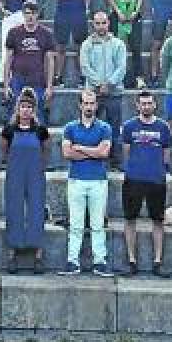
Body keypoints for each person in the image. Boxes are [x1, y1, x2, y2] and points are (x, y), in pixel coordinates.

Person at [58, 89, 114, 277]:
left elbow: (104, 153)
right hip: (76, 180)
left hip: (98, 181)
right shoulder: (70, 128)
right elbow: (67, 153)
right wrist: (93, 151)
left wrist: (80, 148)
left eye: (92, 103)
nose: (89, 107)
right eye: (86, 103)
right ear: (80, 105)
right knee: (75, 224)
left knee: (98, 224)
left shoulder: (105, 128)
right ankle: (72, 261)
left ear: (96, 105)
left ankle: (100, 261)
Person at [119, 92, 172, 277]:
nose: (146, 106)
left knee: (157, 220)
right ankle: (131, 260)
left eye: (149, 103)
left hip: (156, 180)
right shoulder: (129, 126)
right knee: (130, 219)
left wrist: (160, 170)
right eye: (143, 103)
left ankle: (158, 261)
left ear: (155, 105)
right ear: (137, 105)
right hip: (133, 179)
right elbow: (126, 152)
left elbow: (167, 152)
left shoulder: (163, 127)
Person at [1, 88, 48, 273]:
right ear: (18, 109)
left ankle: (38, 256)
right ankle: (12, 255)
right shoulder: (9, 130)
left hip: (35, 173)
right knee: (14, 210)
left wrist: (40, 167)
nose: (26, 110)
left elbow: (46, 149)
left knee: (37, 210)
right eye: (23, 106)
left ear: (33, 109)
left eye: (29, 107)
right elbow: (4, 149)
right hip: (15, 173)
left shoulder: (40, 130)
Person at [80, 11, 127, 163]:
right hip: (93, 94)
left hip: (114, 93)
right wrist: (100, 84)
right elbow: (85, 67)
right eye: (97, 23)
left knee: (114, 128)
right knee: (91, 126)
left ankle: (115, 160)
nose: (101, 26)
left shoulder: (118, 44)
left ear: (108, 23)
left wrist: (110, 83)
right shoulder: (86, 45)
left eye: (103, 22)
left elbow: (121, 67)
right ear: (93, 24)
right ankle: (91, 157)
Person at [1, 0, 57, 123]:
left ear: (38, 14)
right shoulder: (14, 33)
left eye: (33, 13)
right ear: (23, 14)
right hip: (17, 79)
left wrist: (49, 86)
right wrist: (6, 85)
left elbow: (50, 61)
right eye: (27, 13)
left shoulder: (46, 34)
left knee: (39, 116)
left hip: (38, 79)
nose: (30, 16)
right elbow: (8, 59)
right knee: (14, 115)